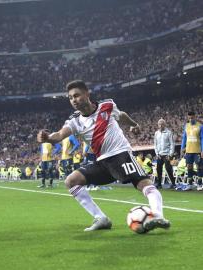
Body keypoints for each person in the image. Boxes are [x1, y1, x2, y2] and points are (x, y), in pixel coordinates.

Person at [37, 80, 170, 232]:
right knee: (71, 181)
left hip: (120, 154)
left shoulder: (107, 106)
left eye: (76, 95)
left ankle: (158, 215)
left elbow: (122, 115)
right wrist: (47, 138)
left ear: (87, 94)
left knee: (144, 184)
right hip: (102, 162)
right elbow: (59, 135)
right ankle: (101, 218)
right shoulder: (75, 121)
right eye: (70, 98)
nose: (74, 100)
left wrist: (134, 125)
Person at [180, 111, 203, 191]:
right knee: (189, 167)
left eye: (192, 118)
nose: (190, 119)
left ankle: (199, 184)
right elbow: (184, 138)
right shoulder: (186, 126)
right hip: (188, 150)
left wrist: (202, 150)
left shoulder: (200, 126)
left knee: (199, 167)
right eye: (189, 118)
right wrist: (182, 148)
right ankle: (190, 184)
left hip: (197, 150)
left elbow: (202, 138)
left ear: (195, 117)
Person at [154, 119, 176, 189]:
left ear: (164, 124)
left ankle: (173, 183)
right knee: (158, 169)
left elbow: (172, 144)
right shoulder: (156, 133)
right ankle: (159, 184)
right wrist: (157, 154)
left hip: (167, 154)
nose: (160, 125)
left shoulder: (169, 133)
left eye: (162, 124)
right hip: (159, 155)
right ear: (158, 125)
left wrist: (170, 155)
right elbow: (155, 144)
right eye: (159, 124)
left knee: (168, 169)